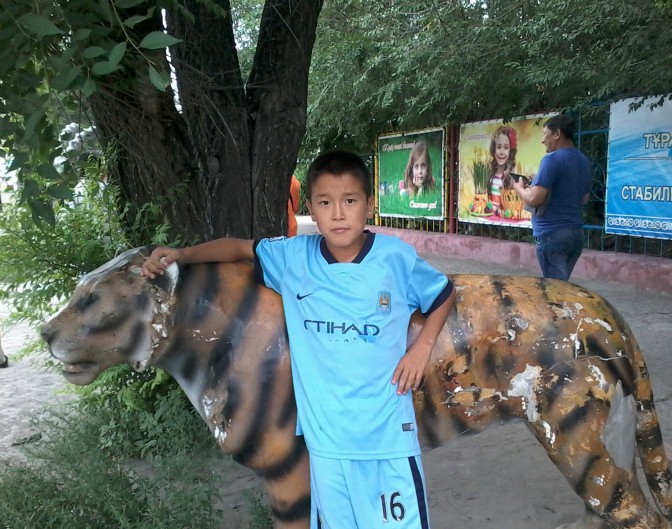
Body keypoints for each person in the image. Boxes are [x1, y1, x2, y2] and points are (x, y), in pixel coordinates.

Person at [142, 150, 456, 529]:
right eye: (325, 202)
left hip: (387, 441)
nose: (338, 214)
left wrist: (422, 348)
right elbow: (239, 247)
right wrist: (183, 255)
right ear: (311, 208)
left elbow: (442, 293)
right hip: (326, 449)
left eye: (350, 201)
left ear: (369, 205)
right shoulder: (293, 259)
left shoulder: (395, 258)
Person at [511, 114, 592, 280]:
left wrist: (518, 188)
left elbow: (534, 199)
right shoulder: (584, 161)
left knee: (555, 289)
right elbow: (584, 198)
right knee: (562, 285)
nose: (542, 140)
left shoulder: (551, 160)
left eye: (544, 134)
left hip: (552, 233)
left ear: (557, 134)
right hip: (576, 233)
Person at [486, 126, 517, 214]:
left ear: (510, 151)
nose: (502, 152)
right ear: (494, 149)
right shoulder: (490, 177)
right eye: (499, 147)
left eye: (506, 148)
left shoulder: (511, 178)